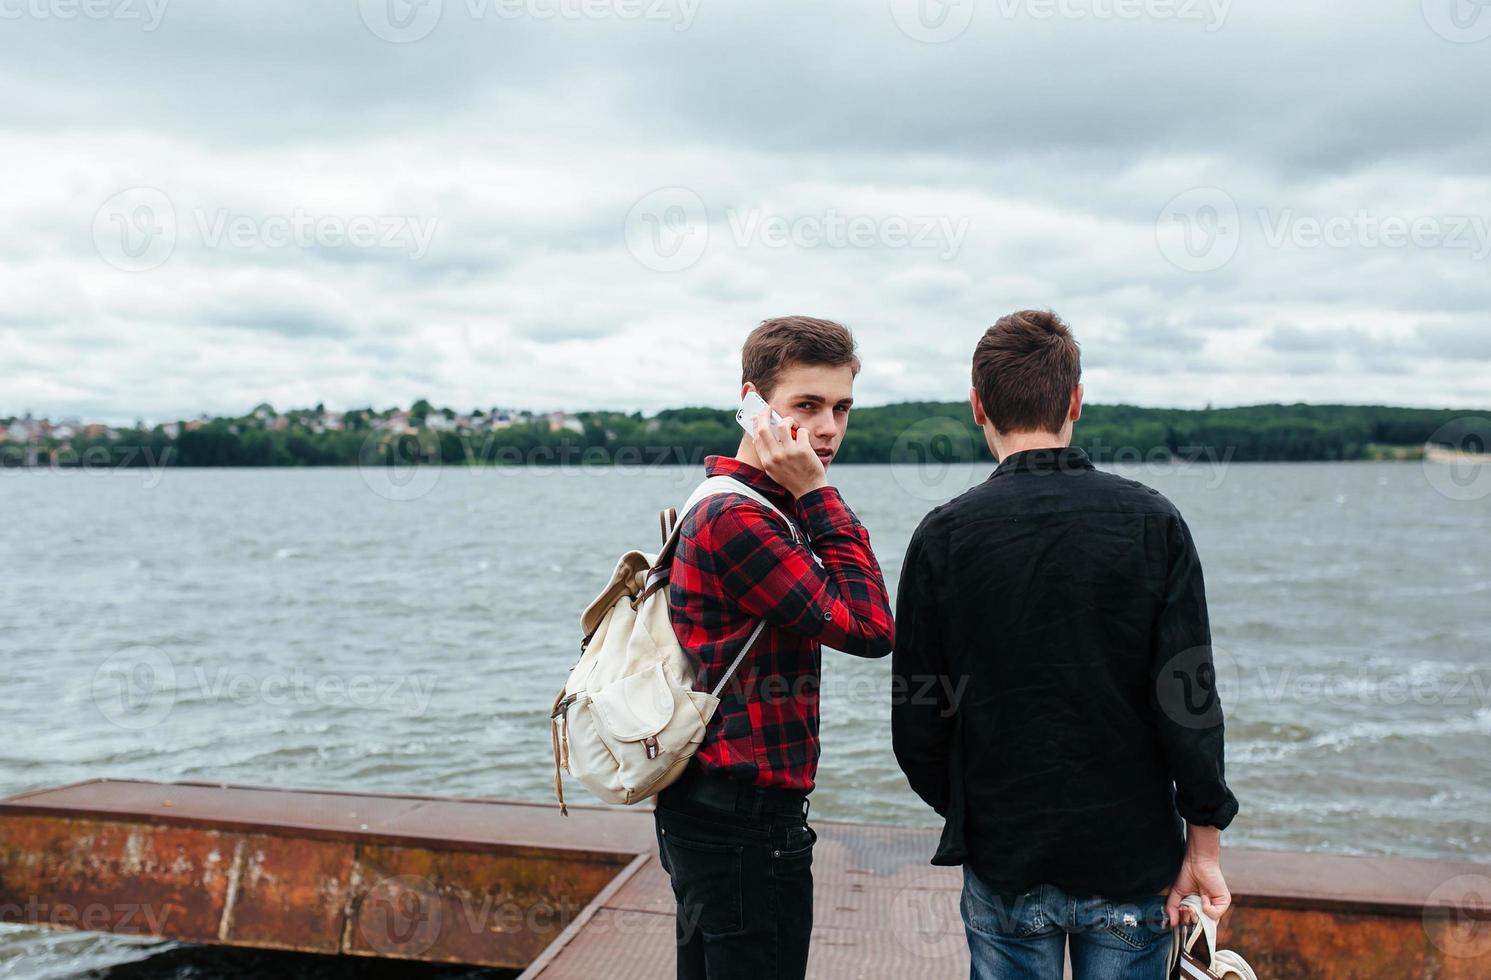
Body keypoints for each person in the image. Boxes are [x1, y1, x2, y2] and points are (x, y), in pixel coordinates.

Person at [891, 309, 1239, 979]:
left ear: (977, 407)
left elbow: (917, 720)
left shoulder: (943, 537)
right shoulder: (1153, 522)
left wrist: (977, 811)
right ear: (1075, 400)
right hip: (1131, 853)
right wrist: (1203, 844)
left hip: (1006, 856)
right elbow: (1188, 699)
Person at [656, 315, 896, 980]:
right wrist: (819, 496)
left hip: (712, 806)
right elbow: (871, 628)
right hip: (740, 819)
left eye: (841, 408)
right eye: (807, 406)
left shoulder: (738, 499)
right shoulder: (740, 516)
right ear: (753, 404)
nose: (827, 430)